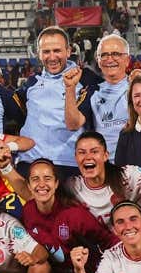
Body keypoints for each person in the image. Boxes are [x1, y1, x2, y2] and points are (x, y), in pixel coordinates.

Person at [20, 160, 117, 273]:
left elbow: (109, 241)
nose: (41, 184)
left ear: (56, 183)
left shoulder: (74, 214)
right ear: (29, 185)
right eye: (35, 179)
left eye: (47, 179)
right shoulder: (29, 211)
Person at [16, 27, 101, 177]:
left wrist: (70, 88)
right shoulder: (31, 82)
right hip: (30, 162)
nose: (52, 57)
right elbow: (9, 105)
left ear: (68, 51)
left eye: (57, 50)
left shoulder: (86, 79)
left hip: (67, 164)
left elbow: (74, 124)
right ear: (39, 54)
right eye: (46, 52)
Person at [67, 132, 141, 231]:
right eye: (81, 152)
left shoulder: (130, 175)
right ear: (75, 158)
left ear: (105, 156)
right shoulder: (72, 186)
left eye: (94, 151)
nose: (88, 157)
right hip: (109, 253)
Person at [66, 34, 132, 157]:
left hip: (138, 165)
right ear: (98, 61)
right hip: (105, 167)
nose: (110, 59)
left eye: (116, 54)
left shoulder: (140, 87)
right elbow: (73, 125)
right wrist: (70, 88)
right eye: (104, 55)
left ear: (127, 60)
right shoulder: (92, 92)